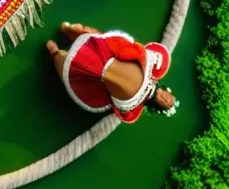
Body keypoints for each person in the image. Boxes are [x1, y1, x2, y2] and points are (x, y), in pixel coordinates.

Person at [46, 23, 178, 123]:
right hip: (103, 54)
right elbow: (129, 51)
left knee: (65, 59)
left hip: (93, 71)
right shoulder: (152, 68)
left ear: (157, 107)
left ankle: (55, 51)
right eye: (169, 98)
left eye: (165, 102)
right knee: (104, 41)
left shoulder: (131, 107)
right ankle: (68, 34)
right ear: (167, 91)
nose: (165, 99)